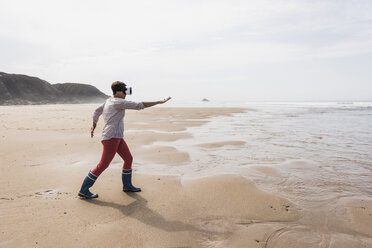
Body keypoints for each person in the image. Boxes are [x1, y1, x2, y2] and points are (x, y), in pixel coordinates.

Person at [78, 81, 171, 199]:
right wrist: (159, 102)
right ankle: (84, 190)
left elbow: (97, 111)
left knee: (128, 159)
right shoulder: (118, 102)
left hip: (117, 137)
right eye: (124, 91)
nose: (126, 93)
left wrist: (94, 125)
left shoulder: (109, 100)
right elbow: (139, 105)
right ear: (118, 92)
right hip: (111, 137)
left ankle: (127, 185)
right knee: (103, 165)